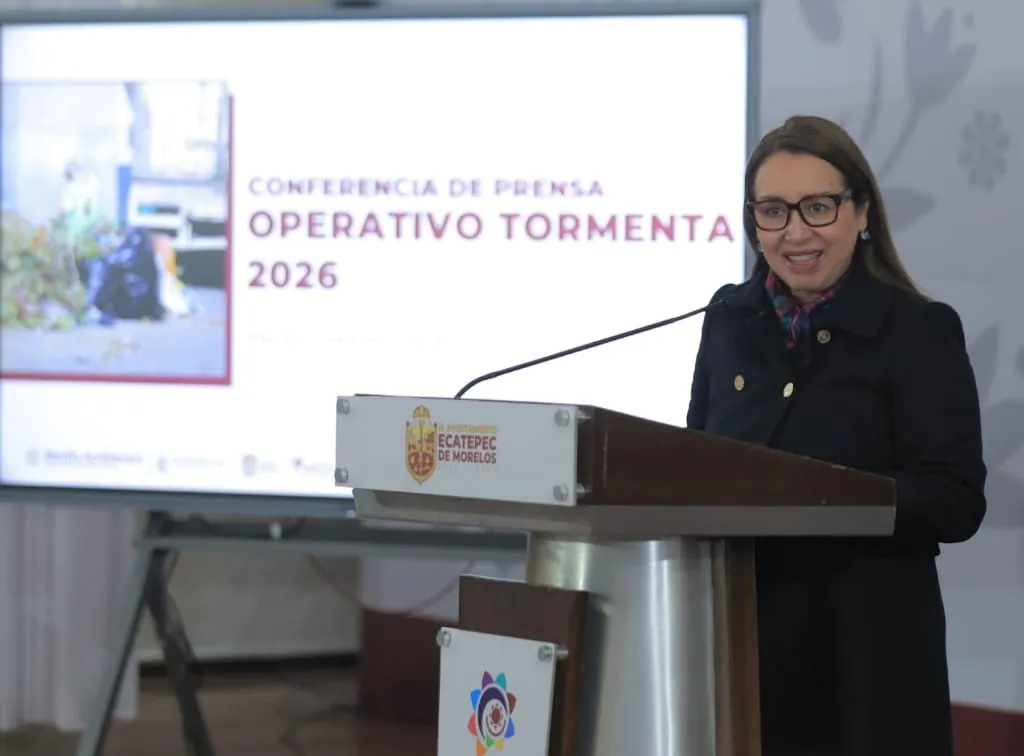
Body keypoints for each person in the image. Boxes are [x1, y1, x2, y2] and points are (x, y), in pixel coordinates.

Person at [687, 115, 987, 756]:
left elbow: (956, 499)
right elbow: (695, 464)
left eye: (817, 207)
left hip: (866, 661)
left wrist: (823, 495)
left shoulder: (918, 330)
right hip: (742, 646)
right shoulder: (729, 318)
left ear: (861, 212)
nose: (795, 232)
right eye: (773, 210)